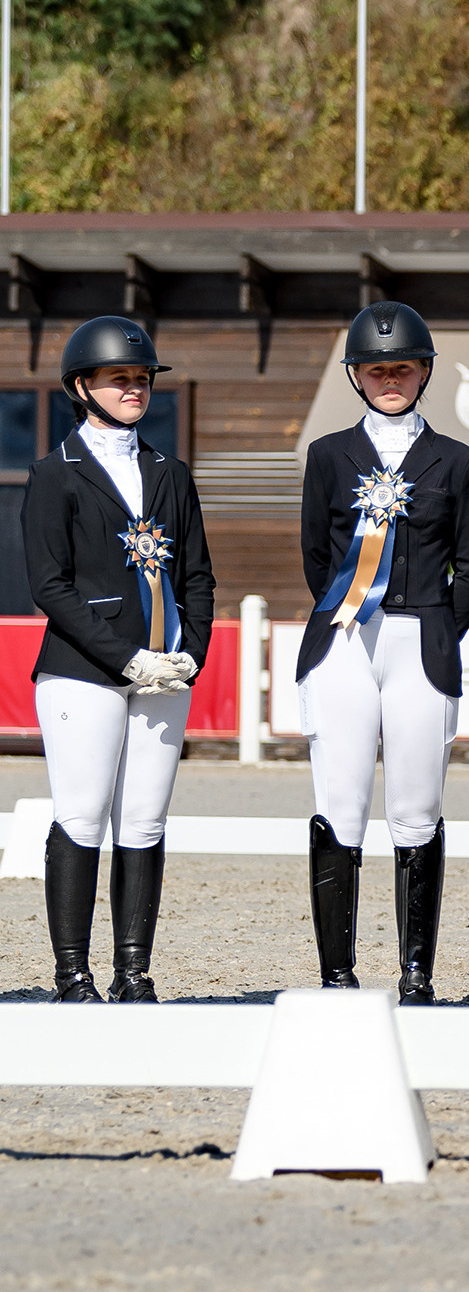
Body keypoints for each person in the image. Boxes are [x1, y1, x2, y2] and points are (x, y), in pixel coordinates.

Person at [296, 301, 469, 1002]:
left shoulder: (458, 461)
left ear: (424, 371)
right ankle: (336, 969)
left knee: (416, 804)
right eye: (377, 369)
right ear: (356, 375)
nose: (390, 379)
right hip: (346, 637)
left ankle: (416, 972)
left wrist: (438, 624)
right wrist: (349, 608)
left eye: (402, 368)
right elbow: (317, 551)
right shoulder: (327, 455)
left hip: (422, 642)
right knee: (340, 801)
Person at [22, 316, 212, 1002]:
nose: (135, 389)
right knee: (82, 812)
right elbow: (51, 585)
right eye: (119, 378)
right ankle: (73, 973)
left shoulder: (170, 473)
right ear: (83, 386)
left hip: (165, 670)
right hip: (82, 668)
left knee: (145, 819)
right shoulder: (55, 473)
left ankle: (134, 971)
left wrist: (189, 653)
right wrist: (125, 657)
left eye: (141, 379)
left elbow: (197, 577)